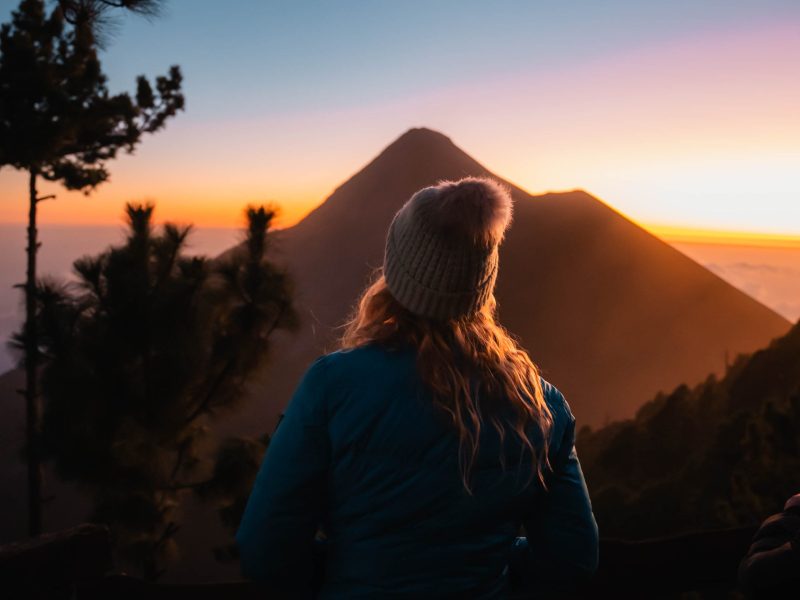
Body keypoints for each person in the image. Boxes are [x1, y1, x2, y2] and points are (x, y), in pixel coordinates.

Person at [235, 176, 599, 598]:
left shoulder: (333, 386)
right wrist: (493, 561)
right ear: (483, 284)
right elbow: (573, 558)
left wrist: (346, 571)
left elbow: (264, 551)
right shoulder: (540, 404)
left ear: (396, 271)